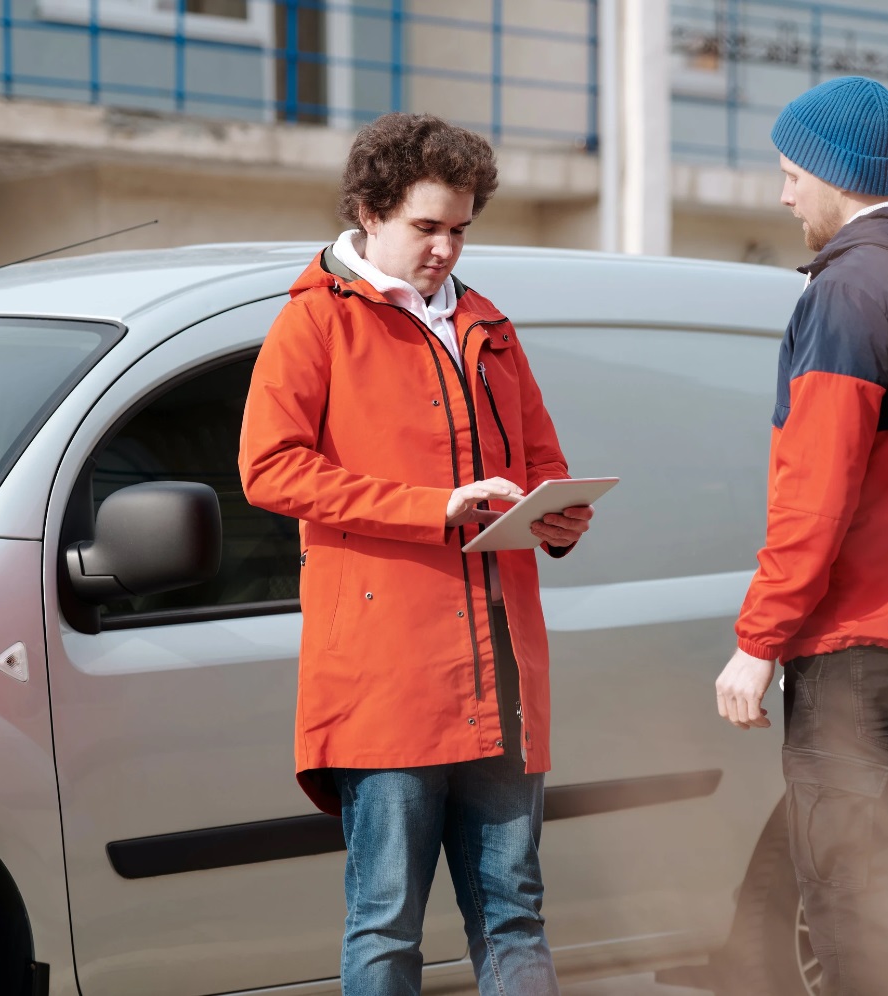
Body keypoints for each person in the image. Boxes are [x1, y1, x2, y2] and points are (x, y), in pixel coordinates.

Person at [239, 112, 591, 995]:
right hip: (385, 676)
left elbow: (541, 464)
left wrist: (557, 515)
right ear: (369, 210)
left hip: (501, 674)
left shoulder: (490, 326)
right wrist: (435, 508)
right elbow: (268, 470)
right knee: (387, 926)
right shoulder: (313, 322)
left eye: (461, 229)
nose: (446, 248)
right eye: (426, 226)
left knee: (515, 914)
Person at [715, 76, 888, 994]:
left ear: (837, 176)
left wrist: (756, 643)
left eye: (792, 171)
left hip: (859, 654)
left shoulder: (852, 292)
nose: (783, 193)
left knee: (853, 910)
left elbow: (817, 492)